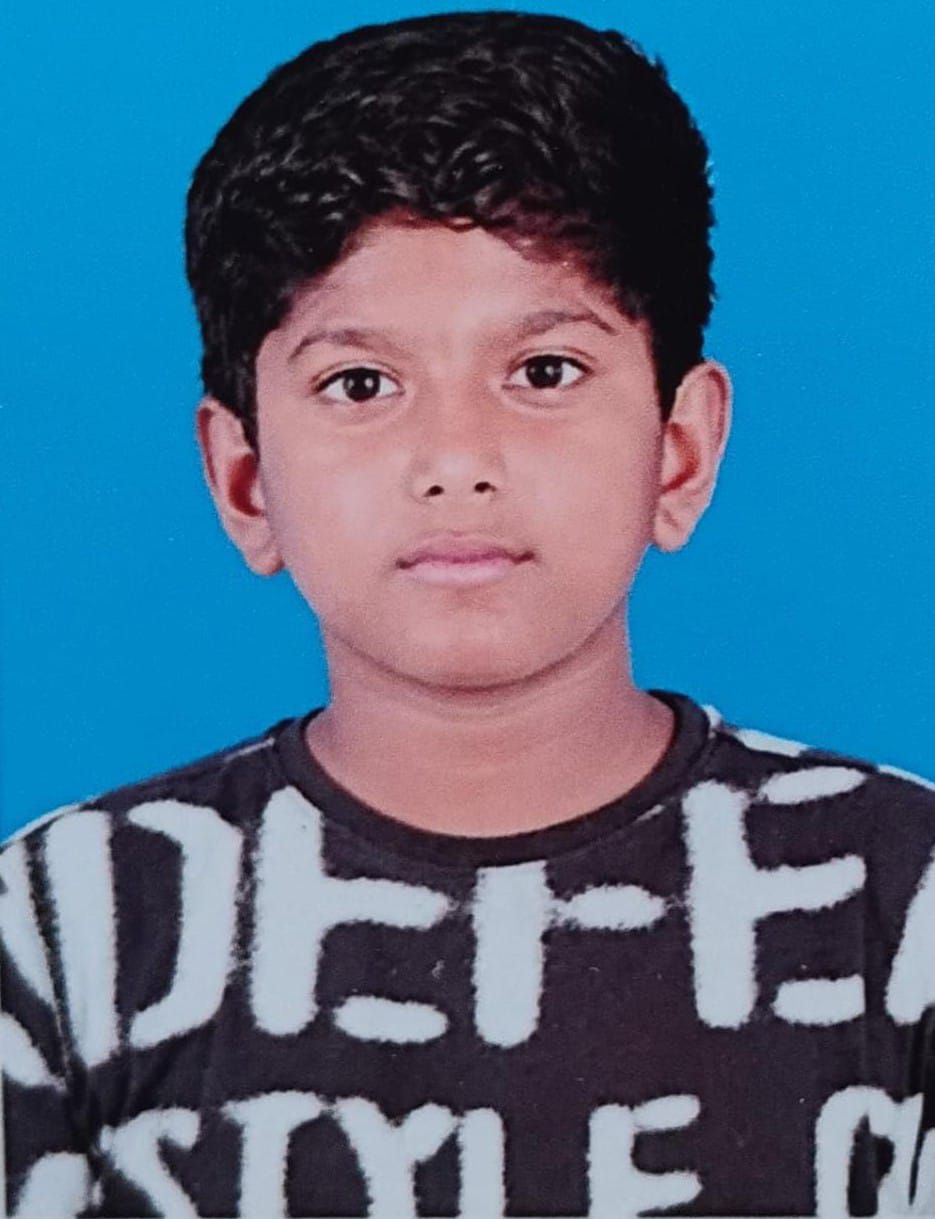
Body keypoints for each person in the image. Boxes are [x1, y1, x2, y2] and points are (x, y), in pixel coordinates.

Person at [2, 10, 933, 1217]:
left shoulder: (895, 901)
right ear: (244, 481)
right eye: (359, 383)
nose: (455, 460)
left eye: (543, 371)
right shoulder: (70, 925)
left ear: (679, 451)